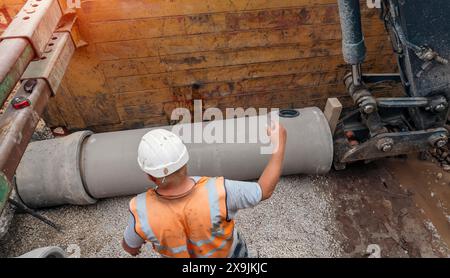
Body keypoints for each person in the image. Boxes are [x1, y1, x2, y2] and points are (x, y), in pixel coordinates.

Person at [122, 122, 287, 258]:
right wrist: (279, 147)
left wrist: (136, 248)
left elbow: (129, 247)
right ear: (185, 161)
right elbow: (264, 190)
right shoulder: (220, 191)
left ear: (150, 176)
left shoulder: (140, 210)